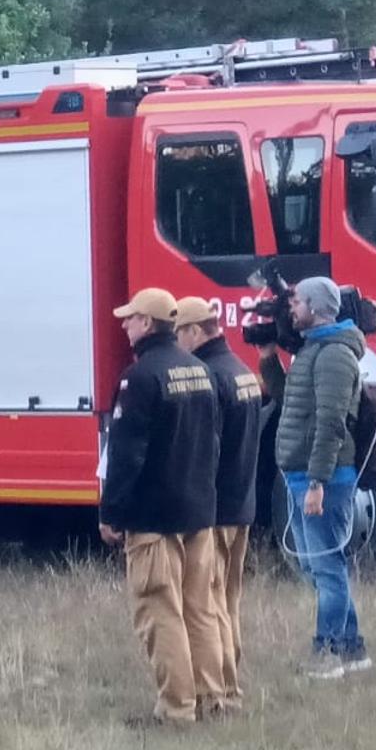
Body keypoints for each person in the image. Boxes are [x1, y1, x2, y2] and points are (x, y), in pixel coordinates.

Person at [97, 288, 226, 726]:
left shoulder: (140, 377)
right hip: (199, 512)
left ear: (148, 324)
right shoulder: (200, 370)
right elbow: (213, 443)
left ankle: (176, 708)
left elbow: (125, 454)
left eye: (130, 318)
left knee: (160, 611)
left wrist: (111, 513)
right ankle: (212, 699)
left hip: (154, 519)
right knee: (200, 608)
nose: (124, 325)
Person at [275, 277, 372, 679]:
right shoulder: (314, 349)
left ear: (315, 306)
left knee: (327, 567)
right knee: (318, 567)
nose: (291, 308)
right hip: (302, 474)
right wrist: (267, 359)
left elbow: (331, 423)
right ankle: (352, 649)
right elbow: (295, 404)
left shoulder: (333, 355)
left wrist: (317, 483)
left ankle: (327, 653)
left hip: (322, 479)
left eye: (296, 302)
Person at [175, 296, 262, 708]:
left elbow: (205, 451)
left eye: (179, 333)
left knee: (209, 603)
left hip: (216, 510)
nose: (177, 342)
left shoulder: (208, 377)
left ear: (194, 331)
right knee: (230, 600)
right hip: (243, 503)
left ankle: (224, 689)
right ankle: (233, 679)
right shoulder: (243, 371)